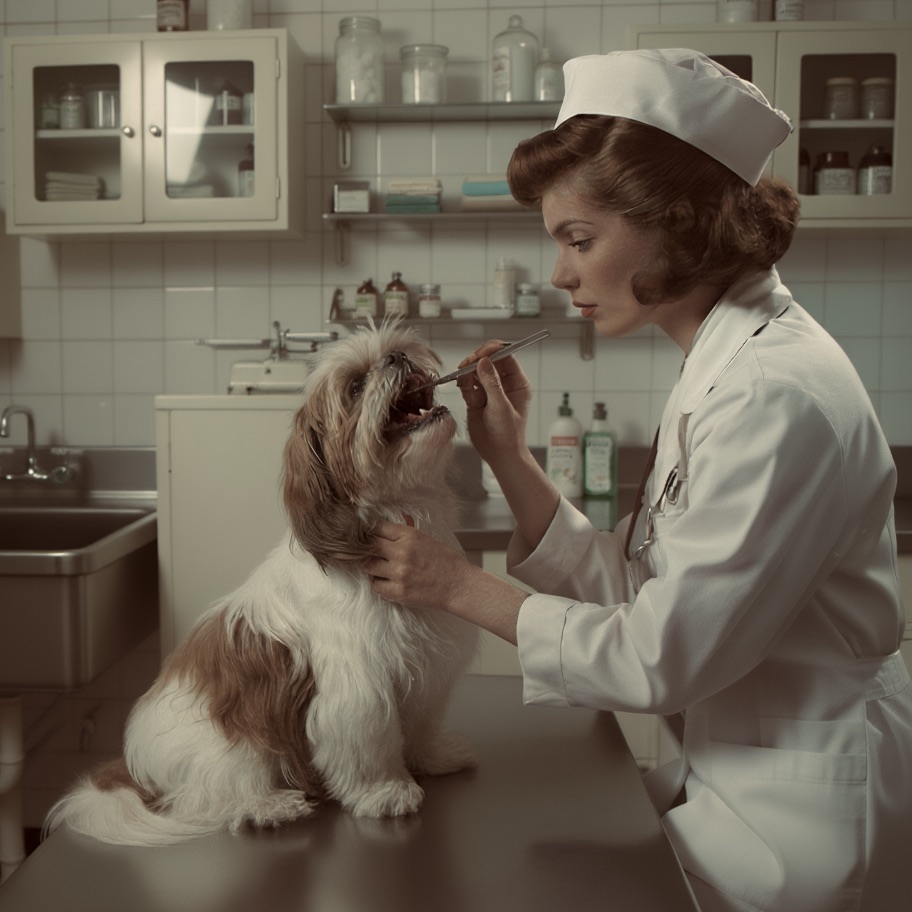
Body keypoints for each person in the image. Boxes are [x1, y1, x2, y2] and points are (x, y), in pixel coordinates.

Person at [368, 49, 912, 912]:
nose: (560, 274)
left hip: (803, 814)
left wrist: (458, 586)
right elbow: (643, 588)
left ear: (684, 223)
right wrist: (509, 458)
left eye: (579, 240)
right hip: (739, 776)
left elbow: (660, 654)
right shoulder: (725, 361)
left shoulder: (773, 394)